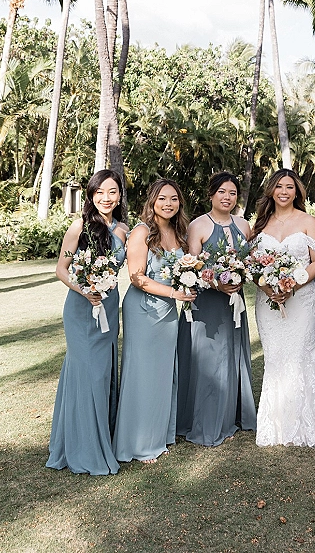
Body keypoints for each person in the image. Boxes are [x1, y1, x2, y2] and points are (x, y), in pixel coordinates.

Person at [47, 170, 128, 475]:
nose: (106, 199)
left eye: (112, 192)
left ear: (119, 195)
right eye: (99, 193)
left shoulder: (123, 230)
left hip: (108, 308)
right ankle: (83, 447)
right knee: (87, 374)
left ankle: (102, 437)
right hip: (81, 310)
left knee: (103, 372)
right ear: (91, 196)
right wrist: (85, 290)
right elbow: (61, 269)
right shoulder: (79, 227)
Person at [251, 168, 315, 448]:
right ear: (271, 191)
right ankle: (275, 424)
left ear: (297, 192)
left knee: (301, 353)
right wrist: (267, 286)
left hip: (301, 299)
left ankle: (308, 423)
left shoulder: (307, 222)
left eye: (290, 187)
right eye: (279, 187)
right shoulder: (261, 223)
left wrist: (292, 284)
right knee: (275, 356)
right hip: (268, 302)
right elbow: (252, 264)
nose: (284, 192)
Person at [113, 179, 194, 464]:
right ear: (152, 201)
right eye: (162, 198)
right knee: (142, 374)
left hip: (168, 312)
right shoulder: (141, 232)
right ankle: (138, 443)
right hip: (143, 310)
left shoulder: (178, 233)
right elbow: (137, 278)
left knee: (162, 374)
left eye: (174, 199)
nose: (168, 204)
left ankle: (158, 434)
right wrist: (176, 292)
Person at [176, 171, 256, 446]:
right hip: (206, 305)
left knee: (231, 356)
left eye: (232, 193)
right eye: (222, 192)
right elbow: (191, 267)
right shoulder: (198, 225)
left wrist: (238, 277)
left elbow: (251, 262)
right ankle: (206, 422)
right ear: (211, 194)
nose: (227, 197)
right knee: (209, 361)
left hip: (234, 302)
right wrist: (216, 283)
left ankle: (231, 416)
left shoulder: (244, 226)